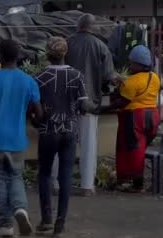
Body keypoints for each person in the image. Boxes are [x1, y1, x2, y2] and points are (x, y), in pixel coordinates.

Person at [0, 39, 43, 237]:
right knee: (15, 177)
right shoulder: (28, 80)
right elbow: (39, 113)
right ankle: (20, 209)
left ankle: (6, 225)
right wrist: (29, 116)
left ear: (0, 57)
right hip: (16, 140)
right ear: (18, 57)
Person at [34, 37, 88, 237]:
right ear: (65, 53)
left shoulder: (39, 77)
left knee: (45, 173)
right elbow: (83, 105)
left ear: (47, 54)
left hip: (47, 131)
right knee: (65, 176)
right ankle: (60, 224)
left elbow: (34, 107)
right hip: (70, 131)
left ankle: (46, 219)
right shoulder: (77, 75)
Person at [66, 13, 118, 196]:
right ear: (93, 27)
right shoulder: (101, 46)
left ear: (78, 25)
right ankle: (87, 186)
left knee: (62, 144)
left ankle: (57, 185)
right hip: (90, 102)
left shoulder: (67, 43)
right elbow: (109, 76)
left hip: (67, 103)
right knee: (88, 145)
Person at [99, 45, 161, 192]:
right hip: (152, 116)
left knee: (132, 150)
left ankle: (137, 184)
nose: (130, 66)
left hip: (135, 117)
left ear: (139, 64)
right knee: (140, 148)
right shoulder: (155, 78)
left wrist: (103, 108)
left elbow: (123, 101)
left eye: (132, 63)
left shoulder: (131, 82)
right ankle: (133, 181)